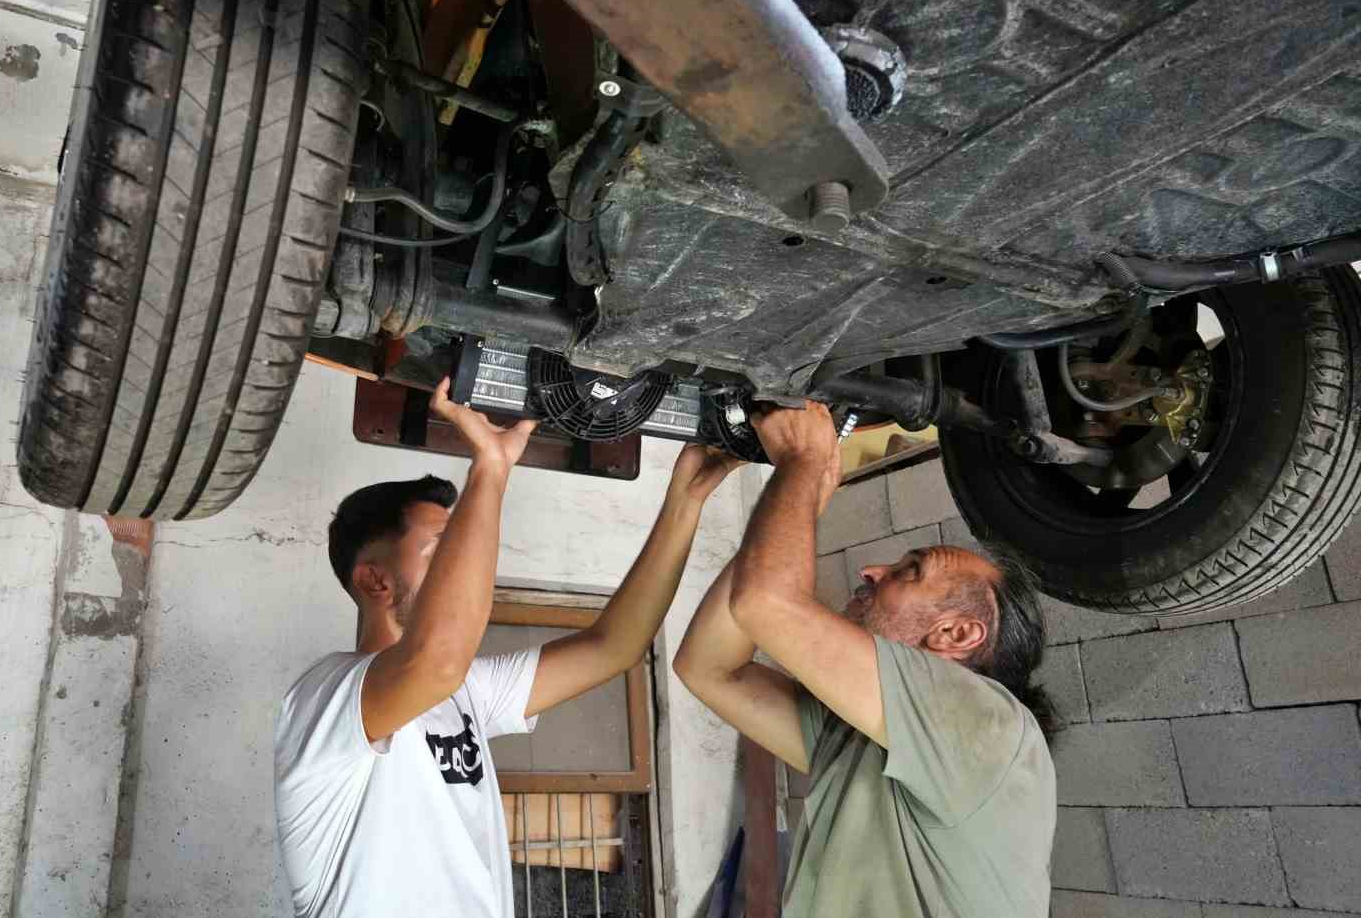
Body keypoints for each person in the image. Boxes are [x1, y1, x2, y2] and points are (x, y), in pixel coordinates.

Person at [274, 378, 743, 918]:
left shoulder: (463, 690)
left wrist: (685, 502)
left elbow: (614, 647)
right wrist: (490, 470)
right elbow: (437, 659)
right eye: (438, 550)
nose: (460, 563)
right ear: (376, 583)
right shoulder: (326, 696)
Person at [675, 401, 1056, 918]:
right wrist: (802, 497)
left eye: (912, 570)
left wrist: (805, 462)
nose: (874, 569)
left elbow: (762, 606)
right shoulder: (867, 736)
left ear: (957, 633)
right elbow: (710, 667)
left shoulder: (992, 727)